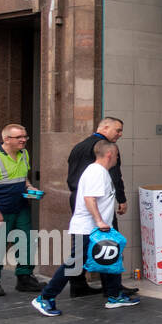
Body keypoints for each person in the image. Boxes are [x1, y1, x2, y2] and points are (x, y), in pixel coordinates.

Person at [32, 140, 139, 315]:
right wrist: (99, 222)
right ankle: (45, 298)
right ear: (110, 154)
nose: (117, 159)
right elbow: (90, 198)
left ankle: (114, 296)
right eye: (117, 156)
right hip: (89, 228)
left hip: (98, 227)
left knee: (110, 258)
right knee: (74, 263)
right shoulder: (96, 172)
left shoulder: (100, 172)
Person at [65, 118, 136, 297]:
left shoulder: (78, 146)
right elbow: (114, 175)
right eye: (117, 130)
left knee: (82, 245)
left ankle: (78, 284)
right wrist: (121, 198)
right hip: (96, 200)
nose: (120, 134)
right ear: (104, 127)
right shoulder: (106, 149)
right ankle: (112, 287)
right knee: (108, 242)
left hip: (79, 198)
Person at [0, 124, 42, 296]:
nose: (24, 140)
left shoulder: (24, 154)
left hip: (20, 206)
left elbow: (24, 179)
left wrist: (30, 189)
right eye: (19, 137)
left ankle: (24, 278)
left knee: (27, 241)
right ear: (6, 139)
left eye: (25, 136)